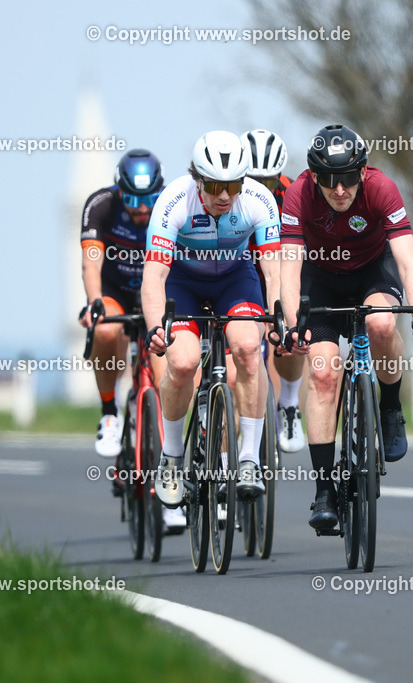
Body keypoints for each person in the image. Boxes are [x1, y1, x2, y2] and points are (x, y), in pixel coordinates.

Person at [278, 124, 413, 530]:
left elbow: (407, 261)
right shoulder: (298, 194)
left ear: (363, 172)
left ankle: (390, 407)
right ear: (314, 176)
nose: (339, 189)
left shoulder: (383, 189)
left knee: (383, 324)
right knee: (321, 372)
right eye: (329, 180)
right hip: (321, 278)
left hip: (371, 271)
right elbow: (290, 268)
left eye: (348, 179)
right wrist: (293, 324)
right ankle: (323, 490)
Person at [142, 131, 281, 509]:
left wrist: (279, 317)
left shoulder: (258, 200)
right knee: (184, 362)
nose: (224, 196)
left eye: (233, 185)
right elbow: (153, 276)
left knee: (250, 348)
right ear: (198, 180)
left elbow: (272, 269)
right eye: (216, 186)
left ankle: (249, 458)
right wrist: (157, 327)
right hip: (183, 283)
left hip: (235, 280)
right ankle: (171, 455)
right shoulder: (174, 200)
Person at [78, 149, 164, 457]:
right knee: (104, 332)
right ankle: (109, 414)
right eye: (132, 200)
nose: (142, 209)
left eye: (149, 200)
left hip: (158, 291)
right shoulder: (101, 205)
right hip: (115, 290)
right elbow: (91, 263)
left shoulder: (173, 203)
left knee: (167, 365)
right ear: (119, 191)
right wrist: (94, 302)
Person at [240, 129, 307, 454]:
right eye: (251, 179)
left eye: (267, 181)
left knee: (289, 332)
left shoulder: (293, 193)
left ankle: (290, 403)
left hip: (279, 269)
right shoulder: (227, 195)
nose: (258, 188)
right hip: (241, 271)